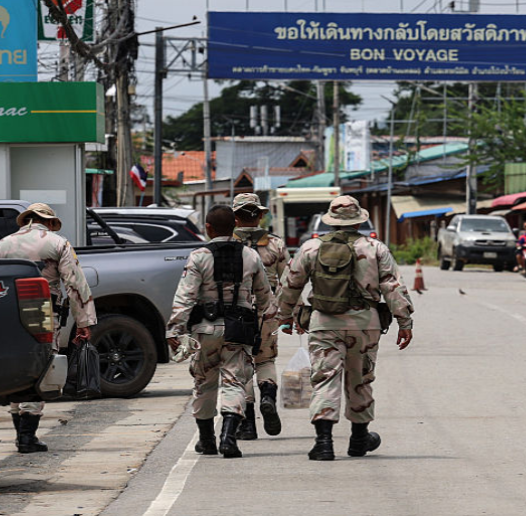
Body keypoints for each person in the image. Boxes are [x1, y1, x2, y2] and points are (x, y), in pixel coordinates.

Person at [275, 195, 414, 461]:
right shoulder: (375, 248)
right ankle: (359, 439)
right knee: (360, 380)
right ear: (358, 219)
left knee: (325, 379)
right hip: (366, 325)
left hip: (323, 324)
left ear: (331, 220)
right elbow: (393, 287)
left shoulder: (310, 248)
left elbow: (290, 285)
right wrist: (404, 322)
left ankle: (324, 442)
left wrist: (286, 316)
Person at [166, 204, 274, 459]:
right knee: (235, 381)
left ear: (208, 228)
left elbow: (185, 297)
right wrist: (262, 323)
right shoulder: (250, 255)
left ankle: (207, 440)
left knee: (204, 382)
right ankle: (228, 436)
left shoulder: (199, 256)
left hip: (205, 329)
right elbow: (265, 297)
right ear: (235, 226)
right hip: (238, 330)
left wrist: (174, 330)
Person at [0, 202, 97, 454]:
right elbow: (75, 285)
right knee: (40, 369)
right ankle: (27, 437)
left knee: (18, 369)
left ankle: (21, 435)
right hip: (43, 316)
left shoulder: (1, 246)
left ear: (27, 220)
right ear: (49, 222)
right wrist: (85, 322)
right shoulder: (58, 243)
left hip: (7, 315)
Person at [231, 193, 288, 441]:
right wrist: (289, 314)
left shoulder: (227, 245)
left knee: (241, 365)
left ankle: (248, 425)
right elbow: (290, 281)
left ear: (235, 218)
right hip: (268, 311)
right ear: (261, 215)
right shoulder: (275, 245)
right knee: (266, 361)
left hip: (236, 313)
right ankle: (268, 396)